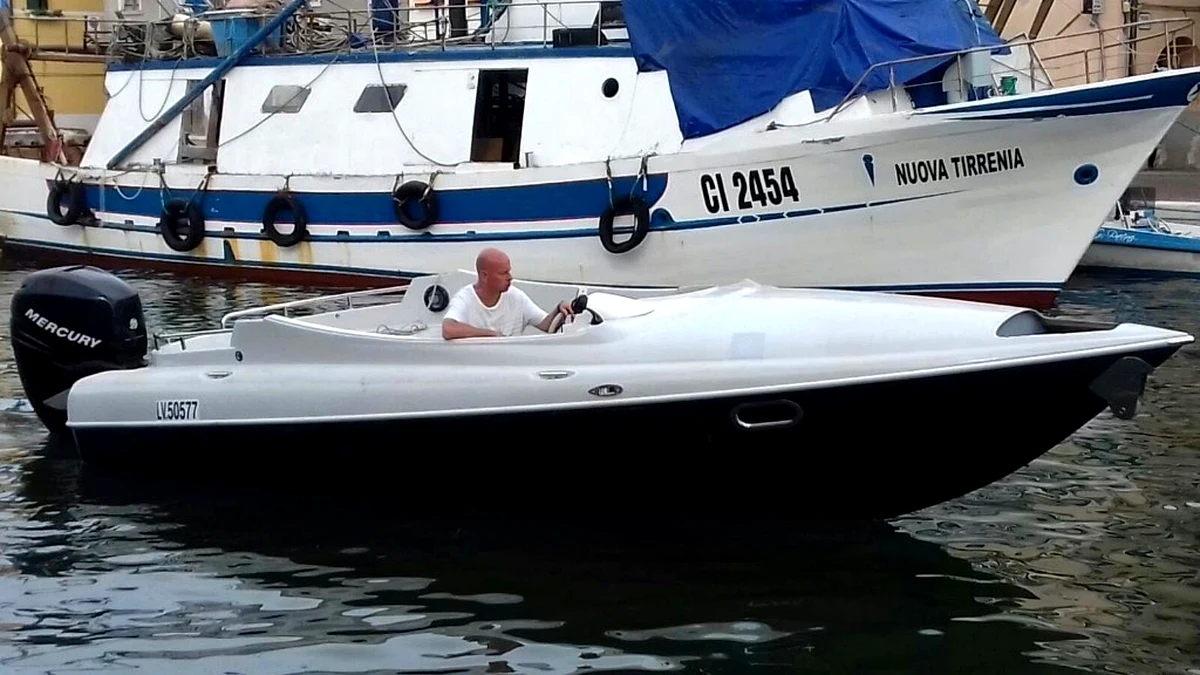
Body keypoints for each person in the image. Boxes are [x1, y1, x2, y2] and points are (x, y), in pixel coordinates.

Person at [441, 248, 574, 340]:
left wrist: (559, 309)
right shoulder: (464, 299)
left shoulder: (517, 297)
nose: (510, 277)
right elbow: (448, 329)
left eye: (508, 272)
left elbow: (546, 325)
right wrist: (490, 335)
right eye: (503, 273)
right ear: (484, 276)